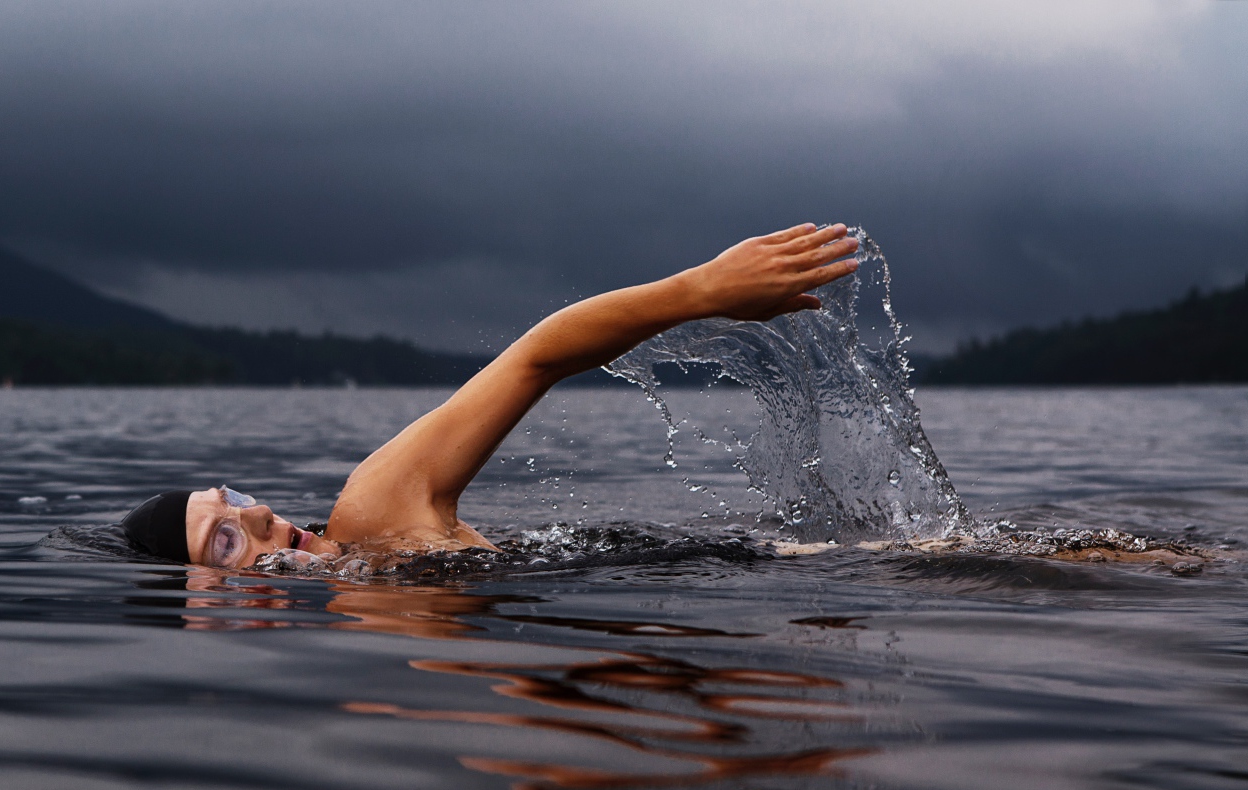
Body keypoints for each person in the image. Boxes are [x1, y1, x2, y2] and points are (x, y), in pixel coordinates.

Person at [120, 223, 863, 569]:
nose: (257, 514)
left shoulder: (374, 513)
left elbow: (534, 358)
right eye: (225, 539)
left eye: (234, 498)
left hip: (812, 567)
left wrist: (701, 291)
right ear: (204, 607)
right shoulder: (366, 646)